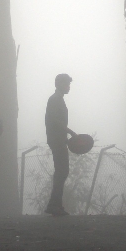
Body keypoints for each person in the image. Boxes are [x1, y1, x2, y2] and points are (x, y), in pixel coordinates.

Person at [44, 74, 77, 216]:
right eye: (66, 84)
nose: (68, 87)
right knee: (62, 171)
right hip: (57, 140)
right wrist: (70, 132)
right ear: (59, 84)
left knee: (61, 171)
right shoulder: (55, 99)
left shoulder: (58, 99)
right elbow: (54, 120)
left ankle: (54, 204)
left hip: (59, 139)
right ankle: (54, 205)